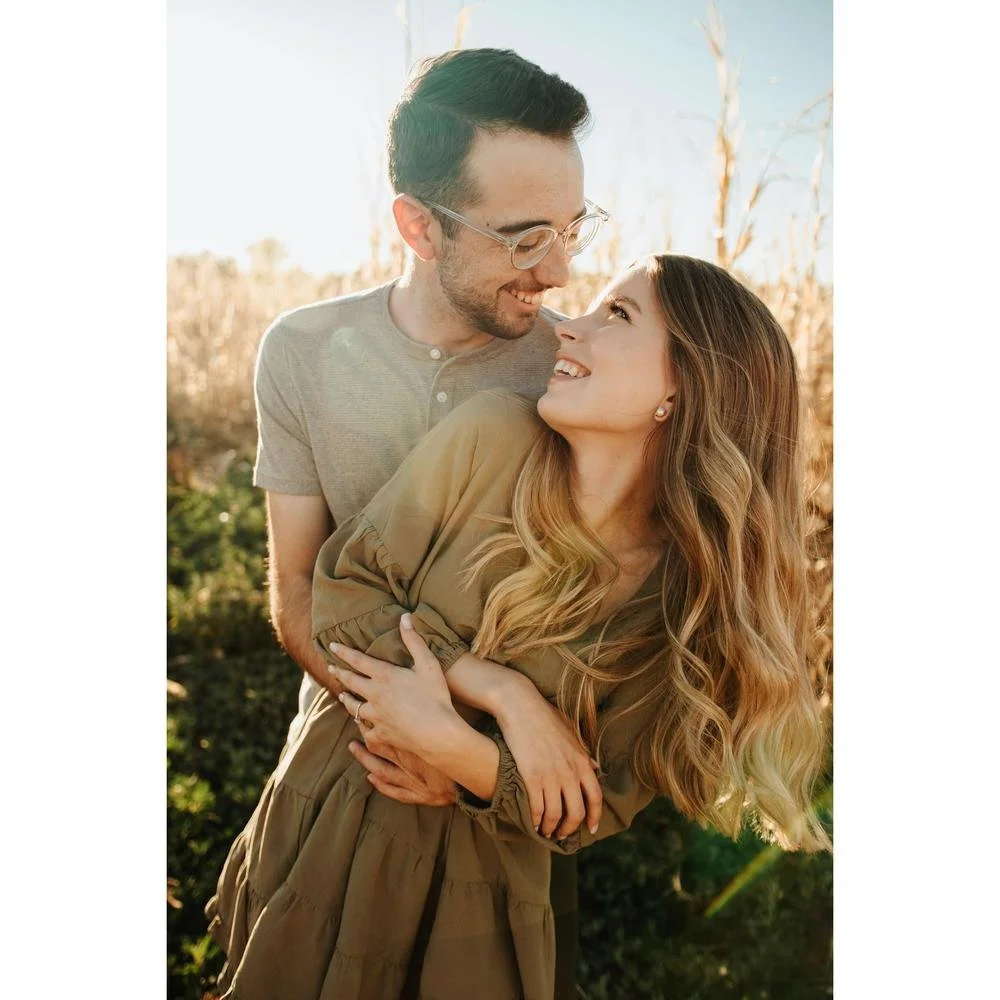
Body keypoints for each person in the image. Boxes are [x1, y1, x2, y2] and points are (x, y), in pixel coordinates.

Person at [206, 254, 832, 1000]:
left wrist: (459, 756)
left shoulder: (684, 605)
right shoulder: (491, 436)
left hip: (474, 905)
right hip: (331, 819)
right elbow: (345, 595)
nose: (569, 333)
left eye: (617, 317)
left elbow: (591, 806)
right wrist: (503, 694)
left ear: (683, 387)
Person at [247, 47, 606, 994]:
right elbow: (294, 591)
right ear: (418, 224)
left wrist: (476, 761)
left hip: (507, 809)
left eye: (573, 228)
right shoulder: (302, 352)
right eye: (526, 237)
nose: (562, 272)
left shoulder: (574, 375)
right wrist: (409, 738)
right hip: (342, 757)